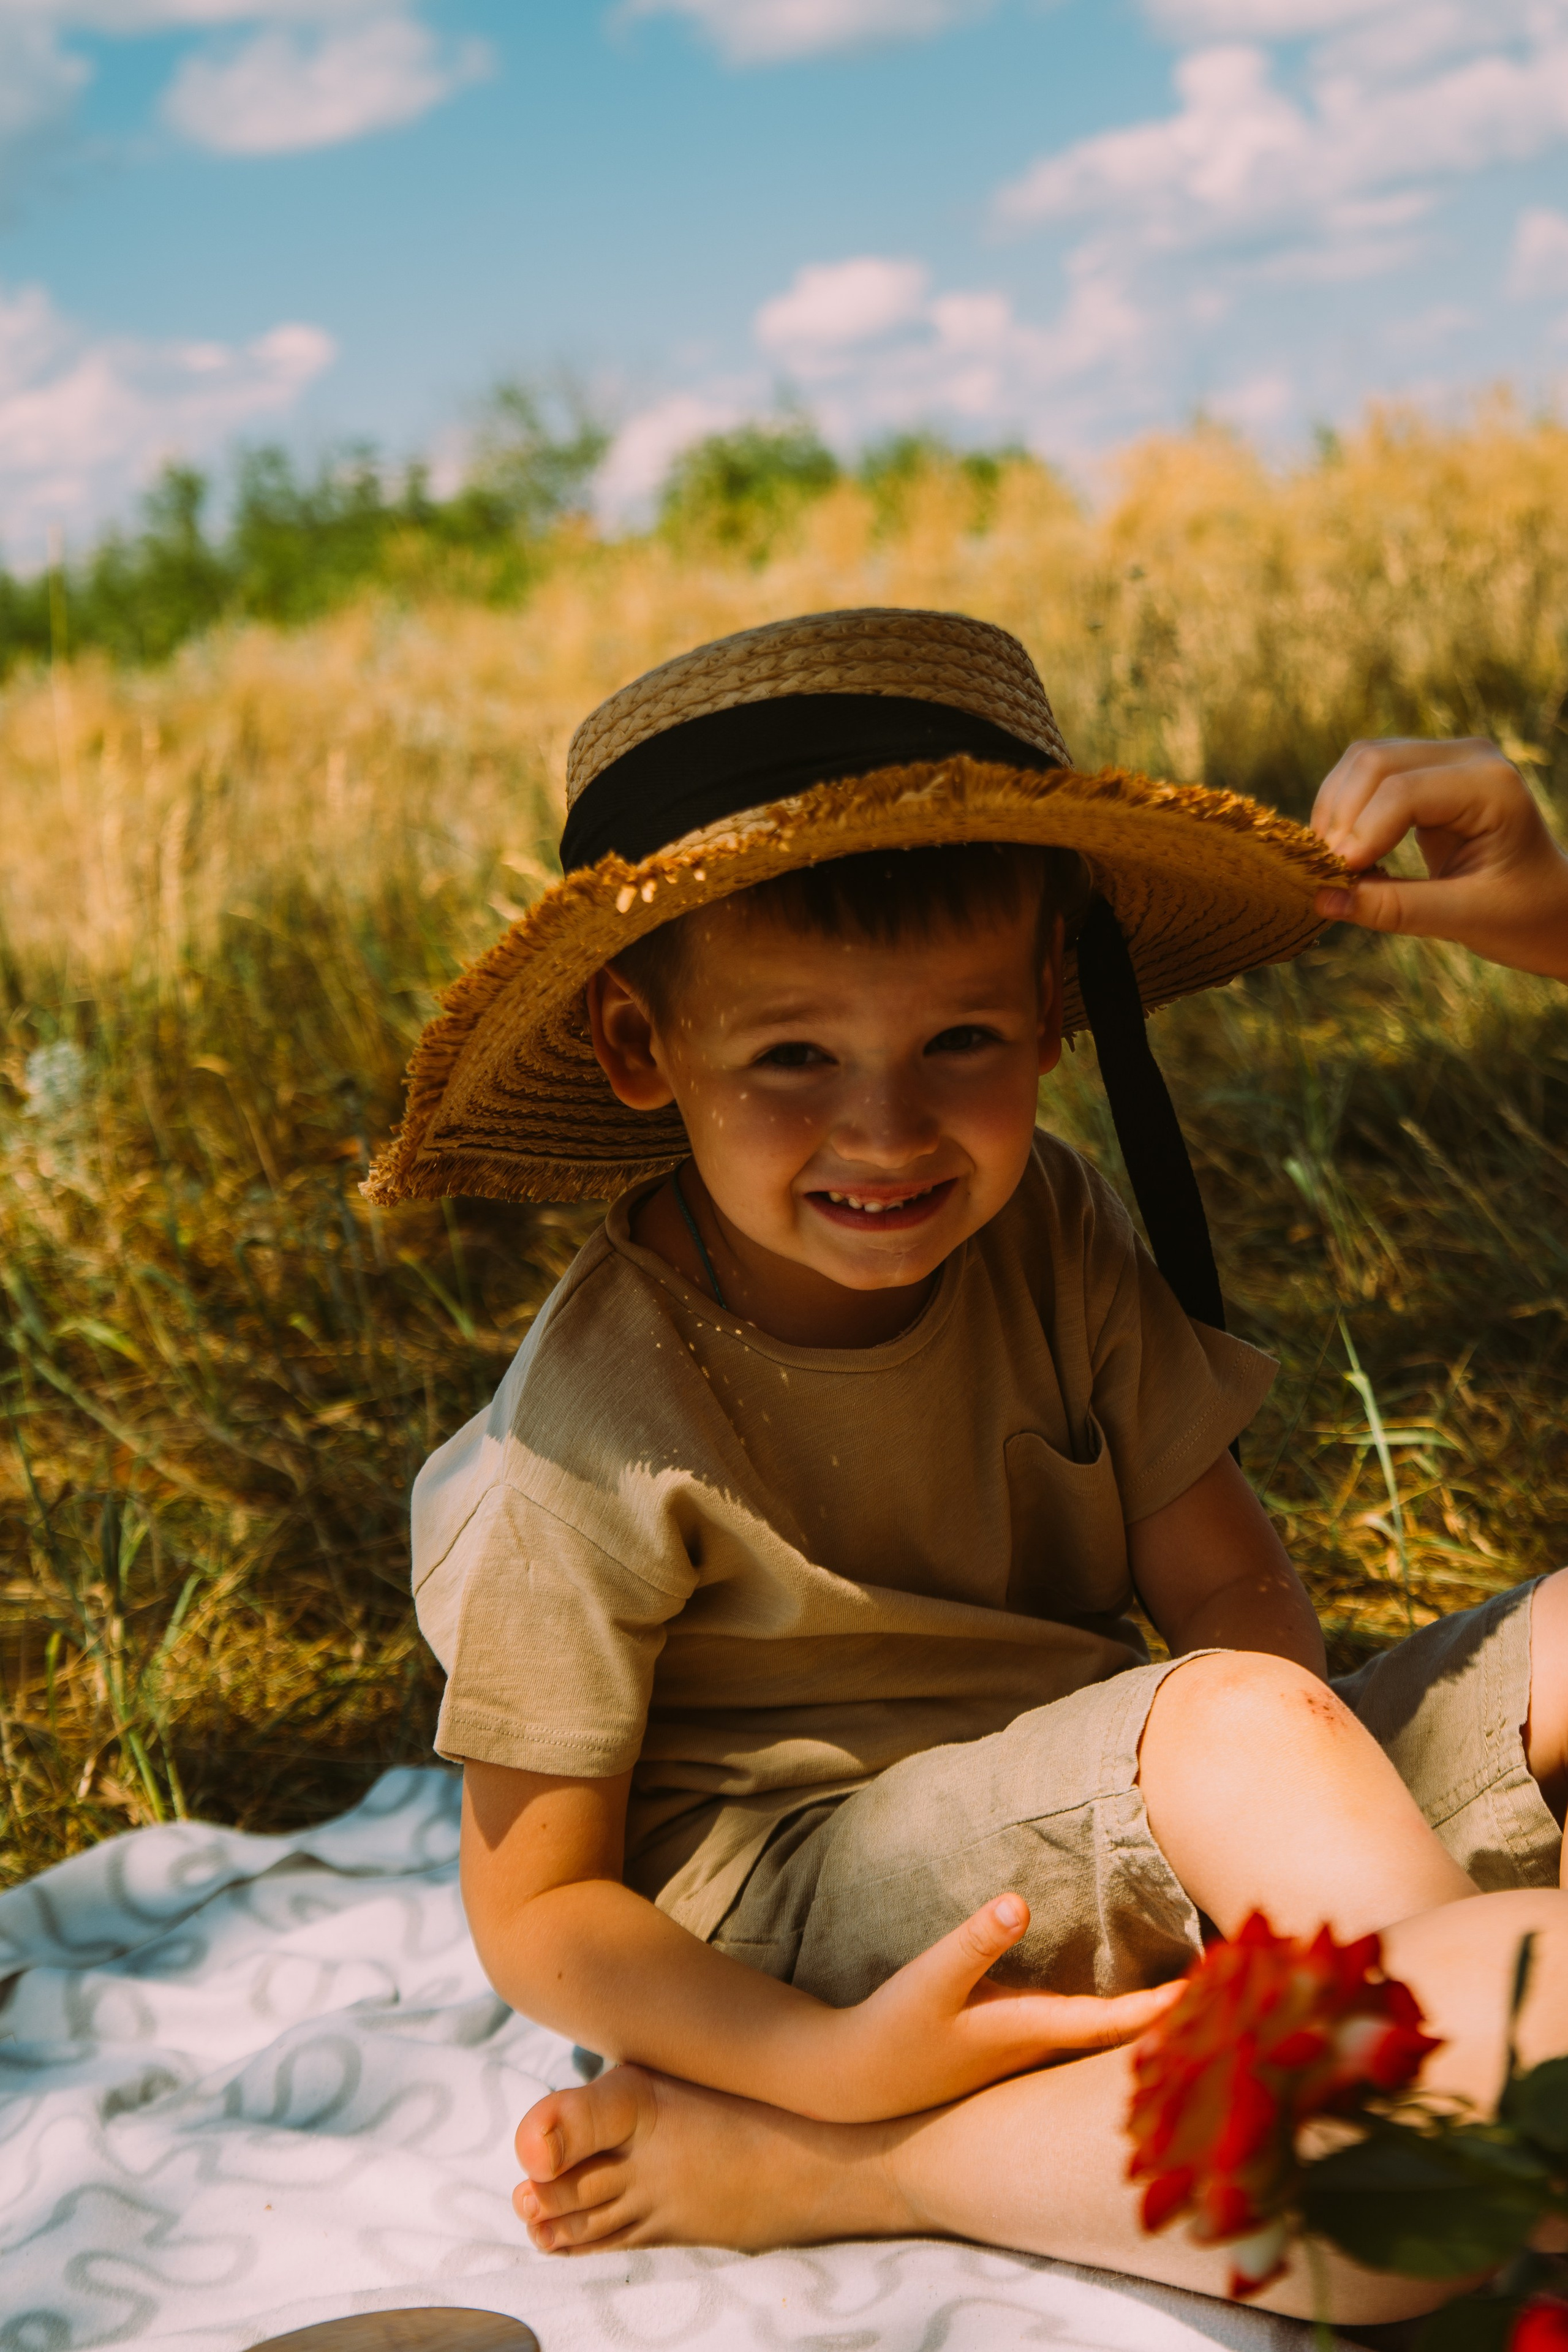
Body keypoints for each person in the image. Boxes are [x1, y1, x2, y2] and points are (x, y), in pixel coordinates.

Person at [364, 616, 1568, 2329]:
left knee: (1327, 1768)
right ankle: (858, 2155)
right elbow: (543, 1905)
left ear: (1050, 1017)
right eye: (794, 1057)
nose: (887, 1131)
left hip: (1110, 1796)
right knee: (1236, 1742)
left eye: (962, 1045)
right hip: (798, 1912)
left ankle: (1381, 2041)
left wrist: (1269, 1832)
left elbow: (1226, 1585)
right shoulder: (589, 1424)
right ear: (646, 1053)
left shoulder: (1054, 1228)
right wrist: (832, 2067)